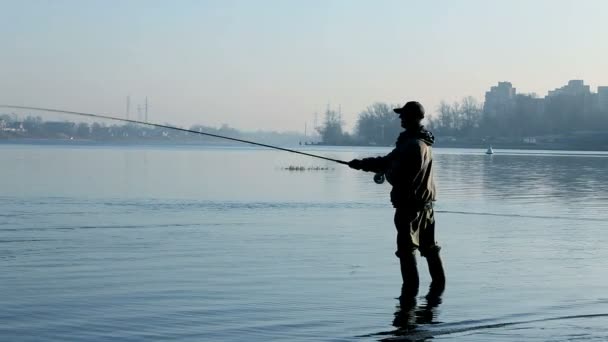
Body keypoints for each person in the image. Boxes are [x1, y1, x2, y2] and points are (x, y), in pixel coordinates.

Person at [348, 101, 445, 296]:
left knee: (407, 252)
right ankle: (437, 295)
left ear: (413, 117)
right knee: (430, 249)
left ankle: (408, 301)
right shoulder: (420, 141)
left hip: (409, 208)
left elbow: (399, 175)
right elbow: (387, 161)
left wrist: (386, 173)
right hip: (426, 208)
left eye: (403, 115)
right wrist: (361, 164)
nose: (400, 118)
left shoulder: (412, 145)